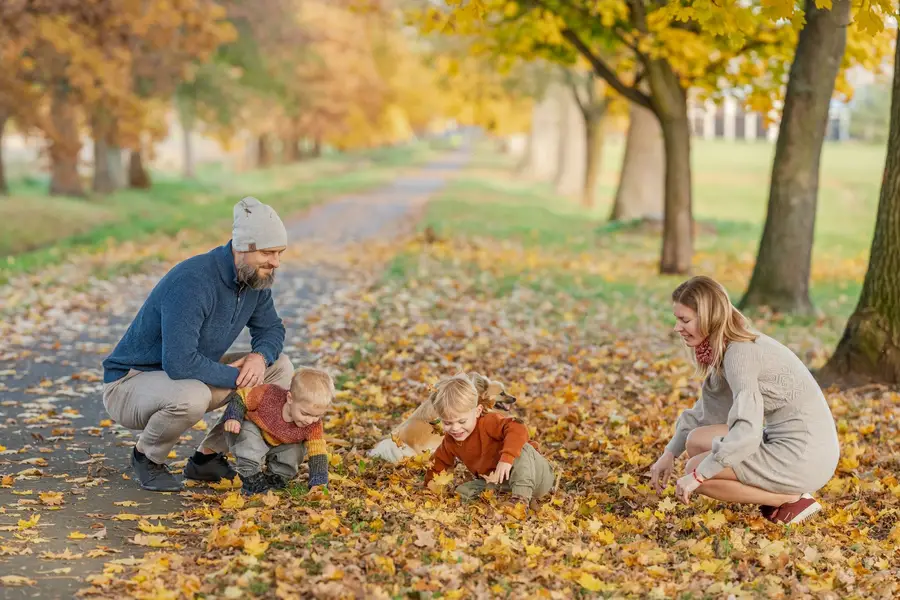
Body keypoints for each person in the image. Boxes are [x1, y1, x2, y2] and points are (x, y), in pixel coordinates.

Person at [101, 197, 293, 492]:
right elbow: (179, 362)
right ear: (242, 247)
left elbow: (271, 329)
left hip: (185, 375)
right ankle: (147, 458)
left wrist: (258, 357)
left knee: (279, 367)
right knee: (192, 395)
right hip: (130, 383)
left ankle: (207, 458)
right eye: (268, 252)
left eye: (279, 252)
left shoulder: (253, 279)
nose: (275, 262)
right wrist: (241, 378)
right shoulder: (193, 281)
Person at [649, 276, 840, 525]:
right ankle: (777, 492)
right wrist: (670, 453)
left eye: (684, 320)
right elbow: (707, 414)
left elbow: (747, 431)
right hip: (788, 445)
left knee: (696, 471)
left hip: (804, 456)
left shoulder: (740, 355)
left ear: (709, 318)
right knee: (695, 440)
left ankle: (791, 498)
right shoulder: (726, 347)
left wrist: (699, 475)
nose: (677, 328)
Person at [423, 373, 555, 513]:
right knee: (463, 491)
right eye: (447, 423)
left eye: (462, 421)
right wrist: (429, 487)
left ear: (477, 411)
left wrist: (507, 458)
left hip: (537, 475)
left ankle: (520, 501)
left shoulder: (488, 422)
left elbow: (518, 427)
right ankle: (506, 495)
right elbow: (438, 464)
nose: (455, 428)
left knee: (522, 447)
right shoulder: (450, 441)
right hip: (503, 481)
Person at [221, 367, 333, 495]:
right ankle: (250, 478)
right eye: (305, 413)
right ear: (290, 399)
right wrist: (233, 417)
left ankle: (277, 476)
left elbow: (317, 452)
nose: (310, 420)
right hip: (252, 432)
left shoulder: (313, 425)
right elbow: (241, 396)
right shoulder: (268, 395)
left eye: (316, 416)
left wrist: (319, 482)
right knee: (249, 437)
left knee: (295, 451)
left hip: (280, 443)